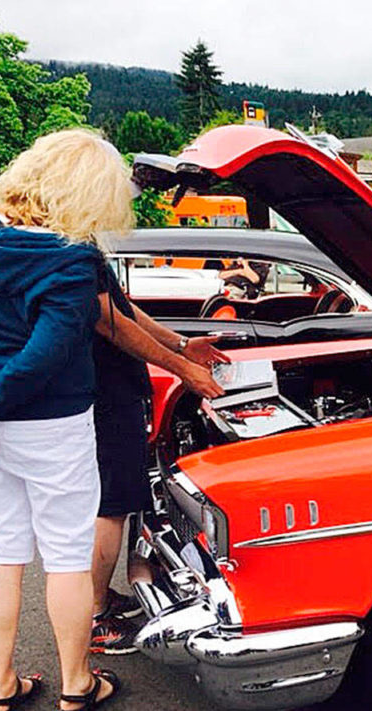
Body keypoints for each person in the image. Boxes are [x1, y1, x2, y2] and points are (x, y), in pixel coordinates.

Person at [0, 128, 132, 711]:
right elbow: (42, 360)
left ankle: (0, 688)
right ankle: (77, 685)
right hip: (49, 425)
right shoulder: (72, 262)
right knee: (67, 556)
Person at [88, 261, 227, 653]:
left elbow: (121, 307)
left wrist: (182, 345)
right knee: (110, 504)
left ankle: (96, 598)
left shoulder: (76, 245)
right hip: (106, 394)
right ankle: (95, 617)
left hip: (110, 391)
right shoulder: (73, 247)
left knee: (113, 499)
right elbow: (110, 320)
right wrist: (183, 366)